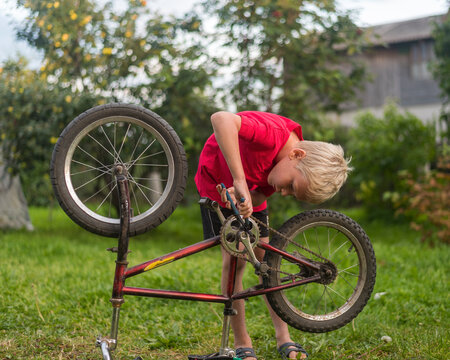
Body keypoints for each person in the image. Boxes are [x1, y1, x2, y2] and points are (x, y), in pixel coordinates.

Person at [194, 110, 351, 360]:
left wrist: (247, 199)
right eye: (291, 186)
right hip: (216, 185)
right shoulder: (272, 135)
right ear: (297, 155)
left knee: (267, 263)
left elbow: (259, 196)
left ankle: (283, 337)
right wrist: (238, 180)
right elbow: (221, 119)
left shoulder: (283, 167)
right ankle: (242, 342)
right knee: (233, 262)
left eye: (291, 192)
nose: (285, 193)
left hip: (245, 189)